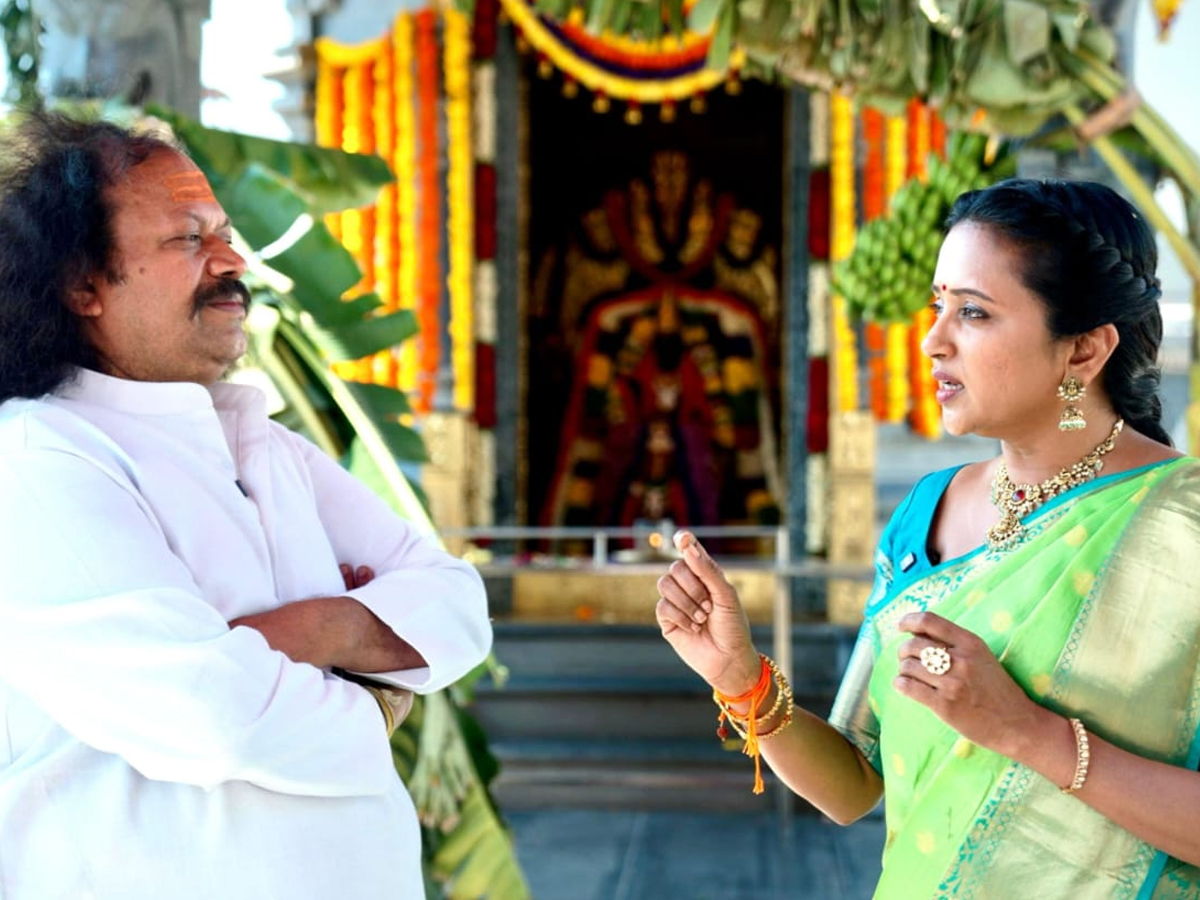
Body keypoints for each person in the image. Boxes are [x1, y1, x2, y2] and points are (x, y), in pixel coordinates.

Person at [657, 178, 1200, 897]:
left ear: (1084, 352)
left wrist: (1028, 735)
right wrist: (740, 678)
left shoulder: (1182, 525)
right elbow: (854, 784)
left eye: (973, 313)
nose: (932, 341)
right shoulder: (927, 511)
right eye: (938, 306)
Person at [0, 111, 492, 898]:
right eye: (188, 239)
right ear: (83, 284)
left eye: (224, 232)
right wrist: (378, 694)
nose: (232, 260)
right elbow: (213, 717)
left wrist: (314, 628)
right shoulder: (39, 460)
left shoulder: (262, 442)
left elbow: (460, 609)